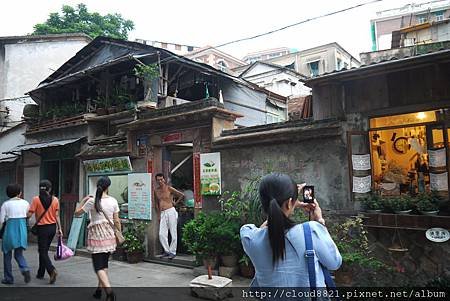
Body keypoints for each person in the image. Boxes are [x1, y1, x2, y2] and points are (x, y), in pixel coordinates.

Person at [240, 173, 341, 287]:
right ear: (289, 202)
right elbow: (335, 263)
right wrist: (320, 221)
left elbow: (261, 230)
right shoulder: (311, 231)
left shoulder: (250, 238)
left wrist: (288, 204)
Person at [74, 176, 119, 301]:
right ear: (108, 187)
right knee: (104, 264)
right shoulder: (113, 201)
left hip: (96, 236)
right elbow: (116, 220)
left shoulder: (92, 201)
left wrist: (83, 200)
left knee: (98, 267)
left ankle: (109, 291)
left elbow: (77, 213)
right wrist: (118, 233)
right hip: (109, 234)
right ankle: (99, 290)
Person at [27, 180, 62, 284]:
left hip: (42, 229)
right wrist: (60, 228)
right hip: (52, 228)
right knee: (44, 250)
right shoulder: (55, 200)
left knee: (42, 251)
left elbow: (29, 214)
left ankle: (51, 270)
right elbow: (57, 216)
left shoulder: (35, 199)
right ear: (49, 189)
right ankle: (40, 272)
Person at [0, 184, 31, 285]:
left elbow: (1, 221)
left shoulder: (5, 204)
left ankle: (8, 278)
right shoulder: (25, 203)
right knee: (19, 254)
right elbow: (28, 215)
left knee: (7, 254)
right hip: (22, 229)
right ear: (19, 193)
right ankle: (25, 268)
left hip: (9, 230)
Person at [154, 173, 184, 259]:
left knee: (173, 232)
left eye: (161, 179)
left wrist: (175, 203)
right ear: (156, 181)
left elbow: (181, 195)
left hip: (171, 211)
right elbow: (156, 203)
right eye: (158, 180)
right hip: (162, 213)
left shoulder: (169, 188)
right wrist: (158, 215)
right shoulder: (156, 191)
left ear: (164, 179)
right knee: (161, 234)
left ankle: (173, 252)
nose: (160, 181)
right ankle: (167, 251)